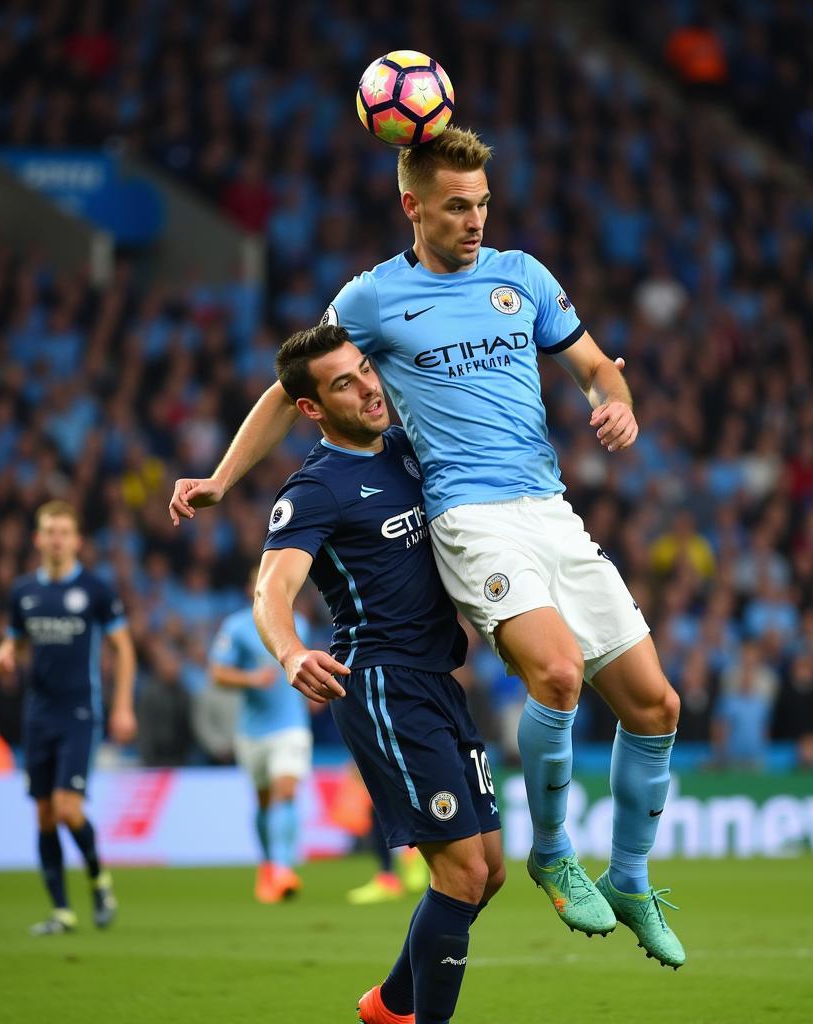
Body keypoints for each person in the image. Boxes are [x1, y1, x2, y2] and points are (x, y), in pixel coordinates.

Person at [170, 126, 684, 967]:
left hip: (548, 508)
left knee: (656, 706)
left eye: (482, 203)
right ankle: (553, 852)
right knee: (556, 673)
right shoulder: (372, 299)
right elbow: (286, 390)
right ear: (412, 207)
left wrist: (615, 397)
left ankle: (629, 875)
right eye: (456, 207)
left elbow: (598, 366)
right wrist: (223, 479)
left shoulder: (524, 277)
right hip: (468, 517)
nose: (475, 220)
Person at [253, 324, 505, 1024]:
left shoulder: (407, 447)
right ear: (311, 409)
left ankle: (391, 1005)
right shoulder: (315, 491)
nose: (367, 386)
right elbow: (270, 592)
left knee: (488, 876)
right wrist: (291, 652)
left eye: (365, 369)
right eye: (343, 382)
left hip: (439, 680)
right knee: (459, 874)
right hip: (384, 685)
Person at [0, 501, 137, 935]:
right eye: (49, 531)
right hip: (38, 712)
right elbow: (14, 641)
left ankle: (98, 881)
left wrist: (123, 705)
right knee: (44, 814)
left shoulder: (94, 590)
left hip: (79, 712)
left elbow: (123, 648)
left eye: (63, 532)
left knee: (69, 808)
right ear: (37, 539)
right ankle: (61, 912)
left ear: (76, 540)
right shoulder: (23, 592)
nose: (56, 539)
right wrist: (3, 655)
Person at [208, 568, 313, 904]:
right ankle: (268, 866)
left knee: (285, 791)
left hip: (291, 726)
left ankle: (283, 868)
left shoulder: (301, 623)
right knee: (265, 801)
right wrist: (252, 680)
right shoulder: (236, 627)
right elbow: (217, 674)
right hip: (252, 731)